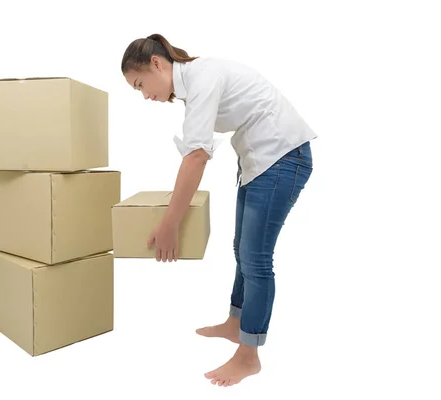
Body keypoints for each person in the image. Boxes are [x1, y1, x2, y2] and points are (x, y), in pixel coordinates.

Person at [121, 34, 316, 387]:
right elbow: (196, 151)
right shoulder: (193, 84)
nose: (145, 96)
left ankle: (248, 356)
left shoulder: (201, 77)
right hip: (260, 162)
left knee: (256, 258)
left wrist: (170, 224)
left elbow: (197, 156)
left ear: (156, 64)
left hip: (282, 157)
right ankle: (236, 322)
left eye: (140, 85)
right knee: (242, 251)